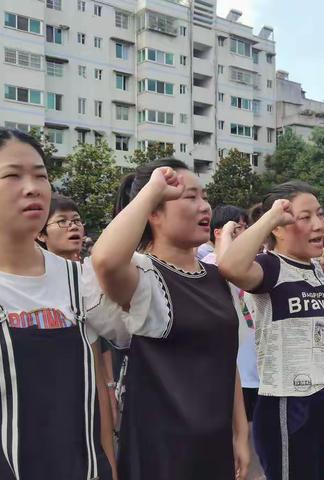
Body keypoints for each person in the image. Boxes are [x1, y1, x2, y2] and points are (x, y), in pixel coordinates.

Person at [90, 158, 250, 480]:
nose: (204, 206)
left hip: (213, 445)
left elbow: (225, 358)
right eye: (189, 197)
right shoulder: (144, 277)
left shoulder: (218, 276)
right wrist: (152, 189)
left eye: (204, 196)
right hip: (160, 453)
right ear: (153, 213)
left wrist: (241, 432)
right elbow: (105, 260)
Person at [0, 128, 113, 480]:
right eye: (12, 175)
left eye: (41, 175)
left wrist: (109, 465)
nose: (32, 187)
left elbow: (98, 392)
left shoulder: (80, 280)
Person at [219, 181, 324, 480]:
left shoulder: (318, 271)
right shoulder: (271, 267)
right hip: (290, 406)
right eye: (305, 218)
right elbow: (230, 266)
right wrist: (271, 216)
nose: (318, 224)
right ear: (278, 227)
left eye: (319, 214)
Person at [37, 193, 118, 470]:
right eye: (62, 221)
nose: (73, 226)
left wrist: (108, 387)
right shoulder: (30, 286)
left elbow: (98, 344)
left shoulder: (87, 276)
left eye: (76, 220)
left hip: (88, 393)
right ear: (40, 234)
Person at [202, 205, 260, 422]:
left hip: (255, 366)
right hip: (234, 369)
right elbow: (225, 266)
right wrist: (227, 232)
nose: (246, 233)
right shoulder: (207, 264)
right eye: (239, 228)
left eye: (246, 227)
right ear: (218, 233)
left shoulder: (253, 264)